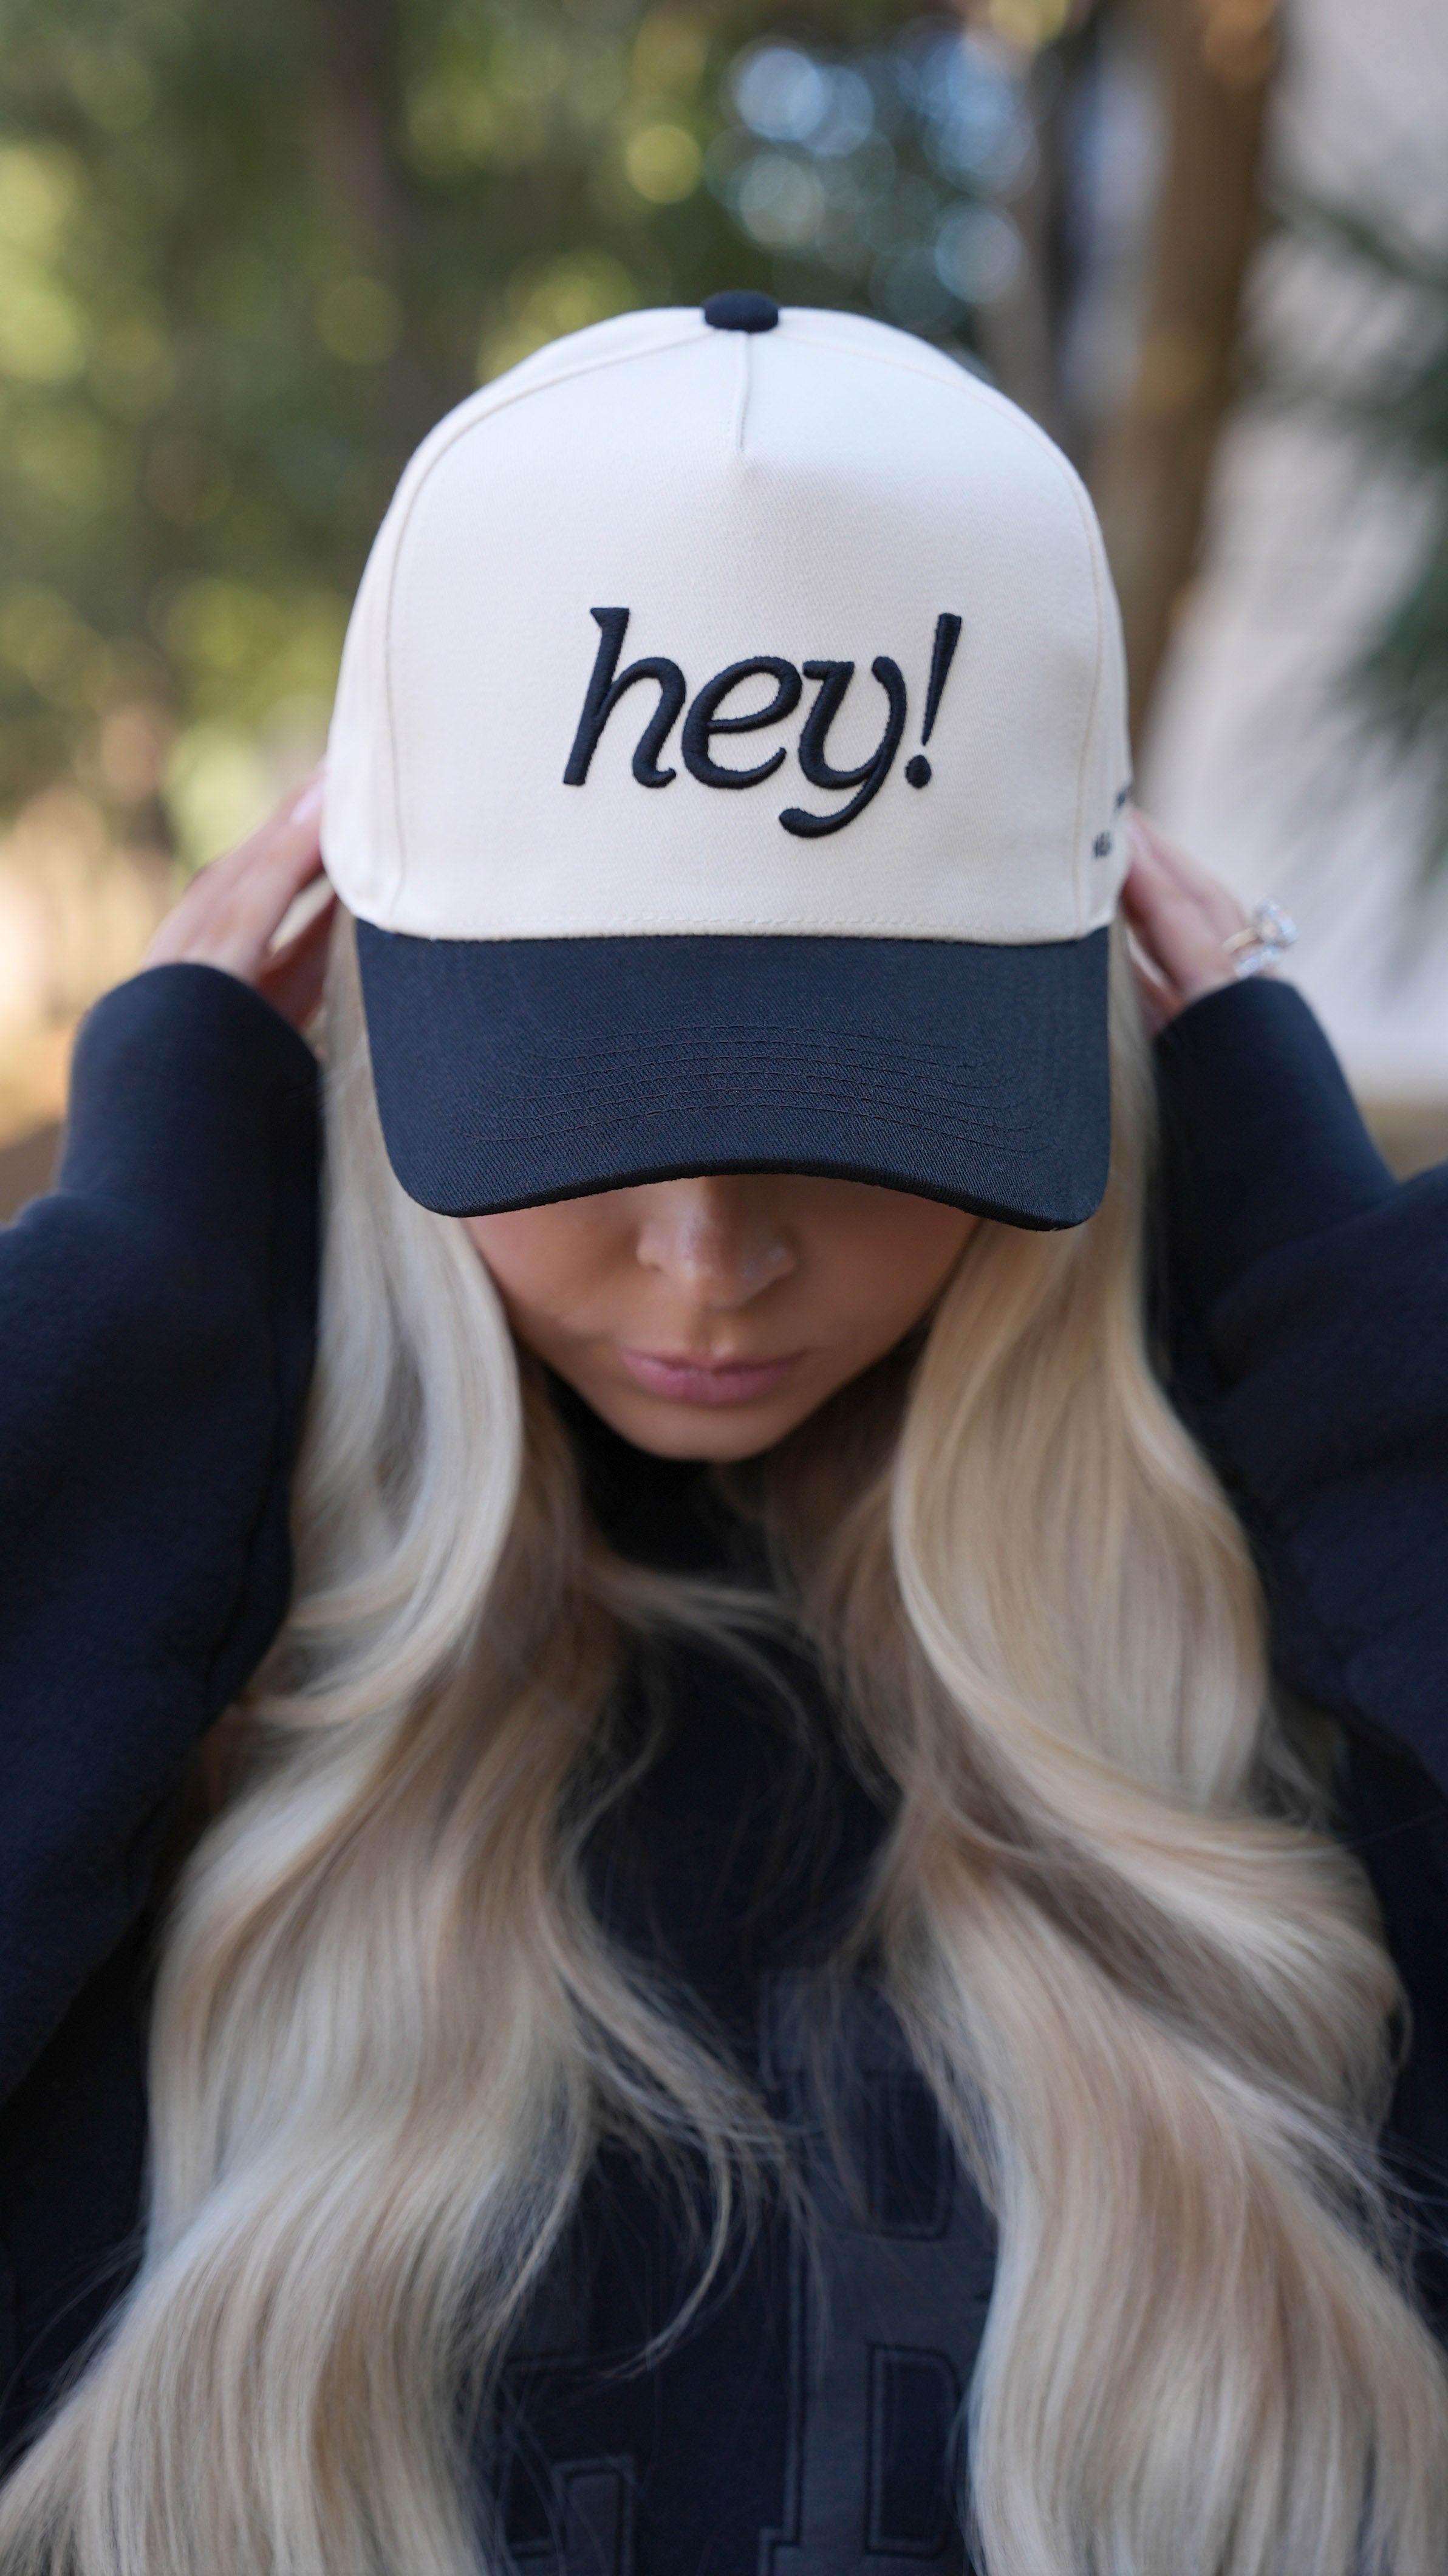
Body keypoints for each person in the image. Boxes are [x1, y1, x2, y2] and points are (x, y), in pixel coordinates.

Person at [1, 298, 1446, 2576]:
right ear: (349, 999)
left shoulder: (1304, 1676)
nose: (706, 1259)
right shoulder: (152, 1680)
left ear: (1095, 1034)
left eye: (848, 1114)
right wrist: (134, 1318)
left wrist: (1353, 1315)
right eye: (585, 1111)